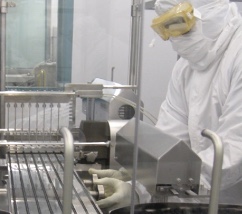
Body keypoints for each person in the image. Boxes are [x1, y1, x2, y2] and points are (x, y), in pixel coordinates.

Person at [89, 0, 242, 210]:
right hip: (198, 200)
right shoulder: (185, 68)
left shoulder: (237, 56)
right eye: (166, 27)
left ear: (211, 13)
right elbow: (169, 141)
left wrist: (160, 175)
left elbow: (234, 151)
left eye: (179, 23)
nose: (174, 38)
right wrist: (138, 183)